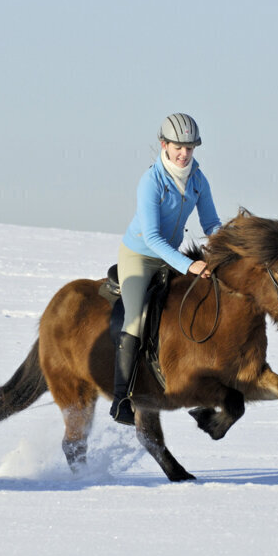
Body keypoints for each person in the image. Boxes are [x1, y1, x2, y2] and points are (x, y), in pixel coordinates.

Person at [111, 113, 222, 425]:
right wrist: (189, 265)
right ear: (164, 144)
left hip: (171, 255)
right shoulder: (151, 181)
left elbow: (211, 223)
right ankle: (121, 400)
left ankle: (200, 392)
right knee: (135, 320)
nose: (184, 153)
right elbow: (153, 237)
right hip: (140, 255)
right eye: (178, 147)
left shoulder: (198, 179)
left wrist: (226, 246)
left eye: (189, 148)